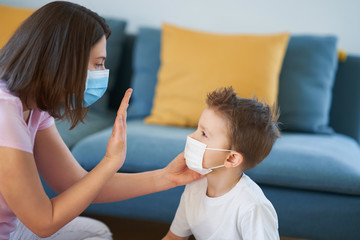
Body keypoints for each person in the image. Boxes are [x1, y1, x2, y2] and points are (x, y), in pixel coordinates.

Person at [0, 1, 202, 239]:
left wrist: (166, 177)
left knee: (95, 232)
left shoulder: (35, 108)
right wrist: (110, 161)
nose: (102, 72)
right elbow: (43, 222)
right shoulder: (5, 115)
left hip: (12, 228)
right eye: (98, 64)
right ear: (63, 60)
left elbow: (76, 184)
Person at [163, 87, 281, 240]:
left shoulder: (252, 207)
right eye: (197, 129)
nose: (192, 136)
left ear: (231, 159)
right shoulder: (194, 187)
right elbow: (173, 238)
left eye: (204, 134)